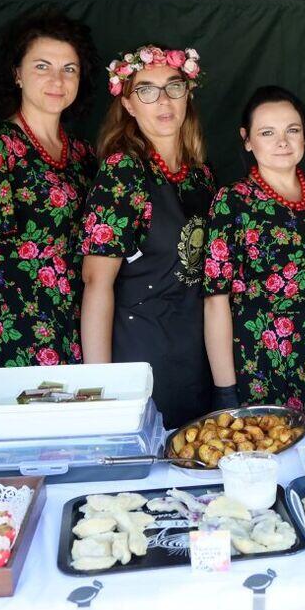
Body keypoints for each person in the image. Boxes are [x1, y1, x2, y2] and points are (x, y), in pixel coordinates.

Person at [0, 10, 98, 367]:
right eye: (42, 66)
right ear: (17, 73)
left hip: (82, 323)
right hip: (17, 329)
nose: (57, 80)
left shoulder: (83, 154)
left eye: (69, 69)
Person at [81, 44, 215, 427]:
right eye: (146, 90)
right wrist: (101, 388)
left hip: (195, 349)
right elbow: (96, 282)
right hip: (142, 351)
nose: (163, 101)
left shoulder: (200, 176)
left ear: (187, 94)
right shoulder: (123, 172)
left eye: (173, 86)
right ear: (127, 104)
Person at [203, 86, 305, 411]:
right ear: (247, 139)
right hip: (260, 359)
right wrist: (225, 390)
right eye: (267, 132)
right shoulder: (232, 201)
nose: (282, 141)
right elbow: (216, 300)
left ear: (304, 136)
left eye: (292, 130)